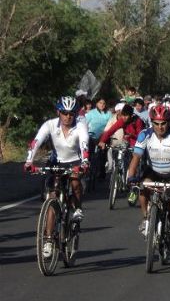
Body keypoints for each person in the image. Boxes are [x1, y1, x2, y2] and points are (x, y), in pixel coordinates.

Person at [25, 96, 90, 258]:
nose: (68, 117)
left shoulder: (80, 126)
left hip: (75, 161)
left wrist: (85, 161)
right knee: (52, 197)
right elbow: (36, 141)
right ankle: (48, 239)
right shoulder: (50, 125)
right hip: (56, 162)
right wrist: (29, 161)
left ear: (76, 114)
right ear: (58, 112)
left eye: (71, 113)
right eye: (64, 113)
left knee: (75, 181)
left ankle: (77, 208)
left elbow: (84, 144)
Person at [126, 106, 170, 246]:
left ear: (169, 122)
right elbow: (136, 157)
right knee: (143, 188)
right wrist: (130, 177)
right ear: (151, 122)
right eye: (156, 123)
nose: (160, 127)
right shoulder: (145, 134)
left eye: (163, 123)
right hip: (153, 171)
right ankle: (146, 217)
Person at [84, 96, 112, 181]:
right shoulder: (91, 113)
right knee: (90, 154)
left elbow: (111, 126)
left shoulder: (109, 114)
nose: (102, 105)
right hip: (92, 137)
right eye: (100, 103)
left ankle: (102, 173)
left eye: (103, 103)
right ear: (96, 104)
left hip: (104, 137)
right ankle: (87, 171)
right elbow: (84, 124)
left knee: (102, 156)